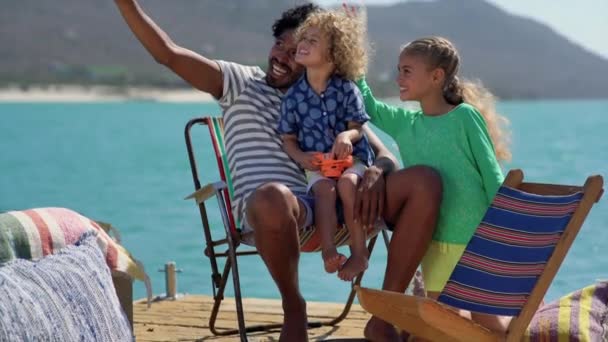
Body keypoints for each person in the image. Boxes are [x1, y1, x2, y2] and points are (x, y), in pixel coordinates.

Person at [114, 1, 442, 340]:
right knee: (274, 196)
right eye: (279, 45)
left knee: (425, 182)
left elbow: (384, 154)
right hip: (277, 212)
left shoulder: (328, 95)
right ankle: (294, 308)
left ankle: (385, 315)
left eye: (296, 49)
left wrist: (378, 172)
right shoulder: (240, 82)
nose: (283, 56)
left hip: (343, 208)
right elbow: (167, 54)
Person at [357, 36, 512, 333]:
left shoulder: (465, 117)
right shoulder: (406, 122)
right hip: (436, 246)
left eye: (406, 71)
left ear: (436, 76)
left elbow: (492, 174)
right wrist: (357, 66)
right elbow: (369, 106)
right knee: (442, 324)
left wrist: (503, 227)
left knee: (487, 323)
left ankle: (517, 331)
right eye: (398, 70)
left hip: (474, 242)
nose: (398, 78)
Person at [278, 10, 373, 281]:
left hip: (351, 159)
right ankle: (328, 249)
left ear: (333, 54)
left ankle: (359, 251)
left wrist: (346, 137)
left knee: (346, 184)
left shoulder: (346, 89)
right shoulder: (294, 97)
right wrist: (301, 157)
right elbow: (288, 140)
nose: (303, 44)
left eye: (313, 41)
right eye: (303, 38)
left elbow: (357, 128)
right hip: (319, 163)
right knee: (324, 189)